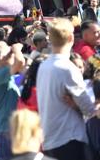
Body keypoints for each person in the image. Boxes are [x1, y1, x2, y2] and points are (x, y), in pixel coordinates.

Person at [37, 18, 97, 160]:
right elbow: (88, 109)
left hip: (49, 139)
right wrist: (77, 105)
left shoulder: (43, 66)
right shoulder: (68, 68)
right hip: (70, 138)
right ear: (71, 38)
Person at [0, 41, 24, 160]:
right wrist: (16, 49)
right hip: (4, 131)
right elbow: (20, 63)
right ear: (1, 58)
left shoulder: (3, 75)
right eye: (10, 53)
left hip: (10, 129)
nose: (12, 55)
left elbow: (23, 68)